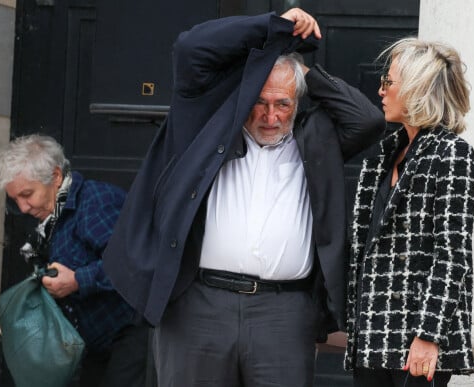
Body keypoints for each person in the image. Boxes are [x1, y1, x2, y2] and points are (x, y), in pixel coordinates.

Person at [101, 7, 383, 387]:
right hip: (200, 306)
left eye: (283, 104)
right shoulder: (207, 128)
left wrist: (306, 74)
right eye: (260, 102)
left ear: (298, 102)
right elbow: (191, 49)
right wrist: (273, 26)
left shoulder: (317, 139)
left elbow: (368, 120)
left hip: (283, 313)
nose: (270, 116)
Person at [345, 37, 474, 387]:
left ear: (418, 86)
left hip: (417, 344)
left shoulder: (452, 154)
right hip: (373, 337)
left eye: (388, 82)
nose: (380, 91)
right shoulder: (383, 155)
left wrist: (428, 335)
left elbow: (452, 255)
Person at [0, 134, 150, 387]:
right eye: (15, 199)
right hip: (92, 346)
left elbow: (131, 263)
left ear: (55, 177)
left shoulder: (94, 202)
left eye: (27, 194)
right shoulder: (50, 220)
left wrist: (78, 280)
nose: (22, 208)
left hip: (127, 337)